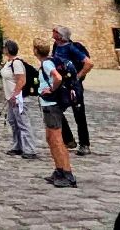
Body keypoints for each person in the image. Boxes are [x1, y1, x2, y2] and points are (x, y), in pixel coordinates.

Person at [33, 39, 76, 188]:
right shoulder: (49, 62)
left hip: (51, 105)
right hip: (48, 105)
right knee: (50, 138)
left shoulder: (46, 64)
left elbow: (57, 77)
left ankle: (67, 173)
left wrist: (51, 89)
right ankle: (59, 170)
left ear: (36, 51)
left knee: (57, 140)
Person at [54, 26, 95, 155]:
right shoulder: (56, 46)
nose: (53, 33)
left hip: (74, 87)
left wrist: (77, 76)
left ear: (61, 36)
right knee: (55, 110)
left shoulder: (71, 48)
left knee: (79, 115)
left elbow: (89, 63)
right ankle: (69, 139)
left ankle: (84, 144)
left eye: (55, 31)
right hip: (61, 86)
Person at [0, 39, 39, 159]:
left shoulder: (16, 63)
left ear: (8, 49)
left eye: (4, 47)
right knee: (13, 122)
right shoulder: (9, 62)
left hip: (18, 99)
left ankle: (30, 149)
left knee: (23, 123)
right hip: (11, 99)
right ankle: (18, 146)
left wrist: (15, 94)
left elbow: (21, 80)